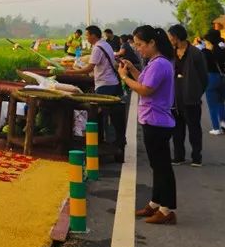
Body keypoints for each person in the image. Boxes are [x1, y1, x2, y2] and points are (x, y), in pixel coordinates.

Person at [117, 25, 177, 225]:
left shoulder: (160, 64)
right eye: (136, 45)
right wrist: (132, 69)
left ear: (153, 43)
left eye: (141, 45)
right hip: (153, 119)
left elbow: (145, 90)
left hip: (157, 121)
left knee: (162, 168)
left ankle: (167, 210)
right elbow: (143, 80)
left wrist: (124, 77)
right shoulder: (155, 62)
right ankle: (155, 203)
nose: (138, 49)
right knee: (157, 166)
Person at [67, 25, 126, 162]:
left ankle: (97, 146)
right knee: (113, 117)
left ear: (93, 35)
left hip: (104, 85)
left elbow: (89, 68)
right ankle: (118, 145)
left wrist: (71, 72)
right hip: (113, 83)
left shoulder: (97, 48)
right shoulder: (106, 45)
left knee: (96, 115)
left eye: (87, 35)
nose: (86, 38)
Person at [167, 24, 208, 167]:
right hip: (175, 99)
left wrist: (195, 92)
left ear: (176, 37)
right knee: (177, 130)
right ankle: (179, 156)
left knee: (194, 129)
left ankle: (197, 157)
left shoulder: (196, 53)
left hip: (191, 100)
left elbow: (204, 78)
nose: (169, 39)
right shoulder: (170, 54)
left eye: (170, 36)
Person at [203, 28, 225, 135]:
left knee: (212, 105)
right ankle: (223, 123)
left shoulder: (206, 52)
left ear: (210, 40)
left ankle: (216, 128)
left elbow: (204, 66)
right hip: (223, 77)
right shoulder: (223, 48)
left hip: (211, 78)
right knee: (221, 103)